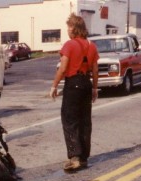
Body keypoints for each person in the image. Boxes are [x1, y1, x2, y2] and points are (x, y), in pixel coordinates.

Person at [49, 13, 99, 172]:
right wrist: (94, 88)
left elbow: (63, 68)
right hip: (86, 83)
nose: (68, 30)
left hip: (73, 84)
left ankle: (75, 157)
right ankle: (84, 157)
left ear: (73, 28)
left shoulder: (69, 45)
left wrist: (54, 85)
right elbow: (95, 70)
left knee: (70, 119)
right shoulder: (92, 45)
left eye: (69, 27)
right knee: (85, 121)